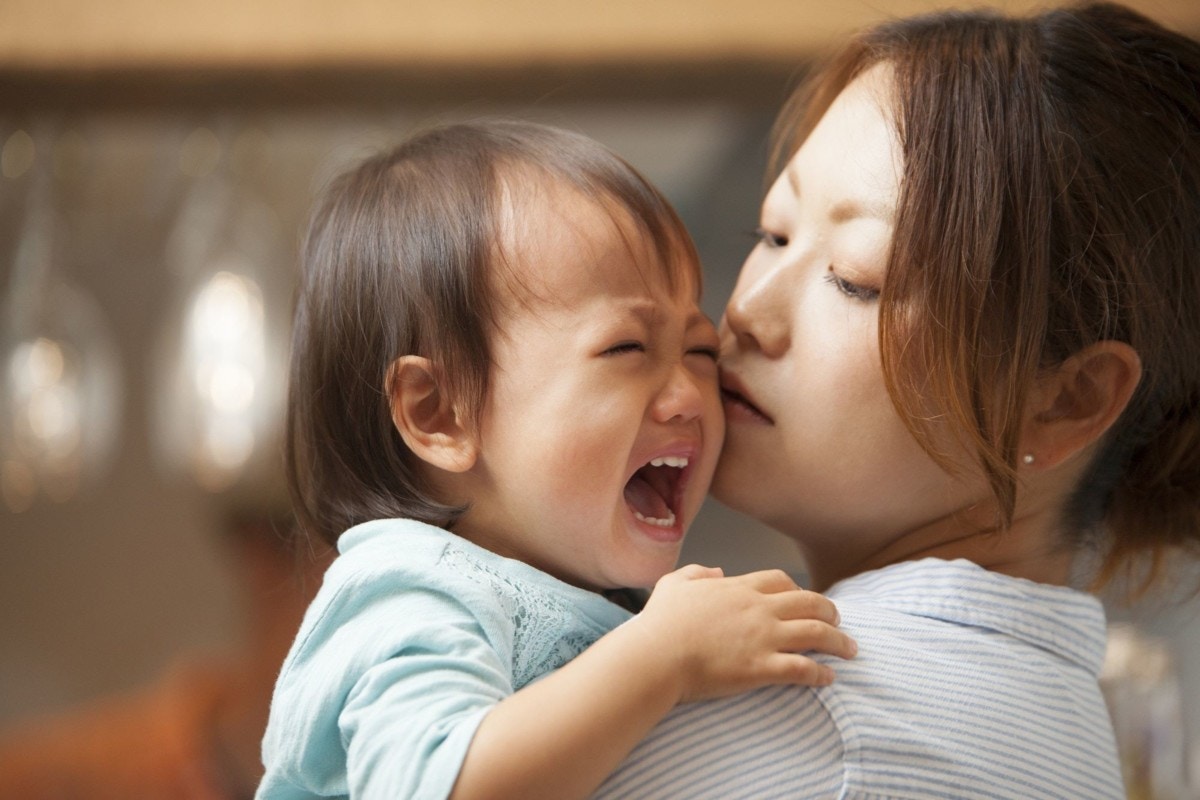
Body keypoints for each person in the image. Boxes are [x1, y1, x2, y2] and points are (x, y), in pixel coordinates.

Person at [593, 3, 1200, 798]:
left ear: (1064, 399)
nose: (747, 311)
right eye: (773, 234)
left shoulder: (810, 717)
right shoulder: (1052, 713)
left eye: (855, 278)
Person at [256, 121, 857, 800]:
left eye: (698, 349)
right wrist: (663, 657)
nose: (692, 394)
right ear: (439, 413)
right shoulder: (413, 592)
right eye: (627, 349)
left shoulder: (610, 606)